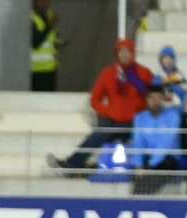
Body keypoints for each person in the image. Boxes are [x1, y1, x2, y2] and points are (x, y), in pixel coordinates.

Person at [48, 39, 153, 173]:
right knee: (95, 137)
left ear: (133, 53)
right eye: (121, 51)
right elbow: (94, 99)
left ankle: (152, 168)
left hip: (135, 121)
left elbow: (152, 96)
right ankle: (71, 166)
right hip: (112, 121)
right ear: (116, 54)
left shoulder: (144, 73)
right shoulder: (108, 73)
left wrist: (141, 111)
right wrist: (108, 111)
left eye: (128, 51)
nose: (125, 55)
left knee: (147, 138)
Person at [129, 83, 182, 194]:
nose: (155, 101)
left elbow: (166, 144)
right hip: (148, 159)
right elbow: (138, 142)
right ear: (147, 99)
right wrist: (139, 165)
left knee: (146, 184)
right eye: (152, 98)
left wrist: (150, 166)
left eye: (158, 98)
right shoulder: (140, 117)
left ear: (163, 99)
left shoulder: (173, 116)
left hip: (168, 159)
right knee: (136, 181)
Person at [30, 0, 63, 92]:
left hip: (51, 68)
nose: (44, 2)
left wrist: (58, 43)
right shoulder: (30, 18)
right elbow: (35, 42)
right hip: (36, 70)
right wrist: (49, 26)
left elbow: (51, 40)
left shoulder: (50, 16)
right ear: (33, 0)